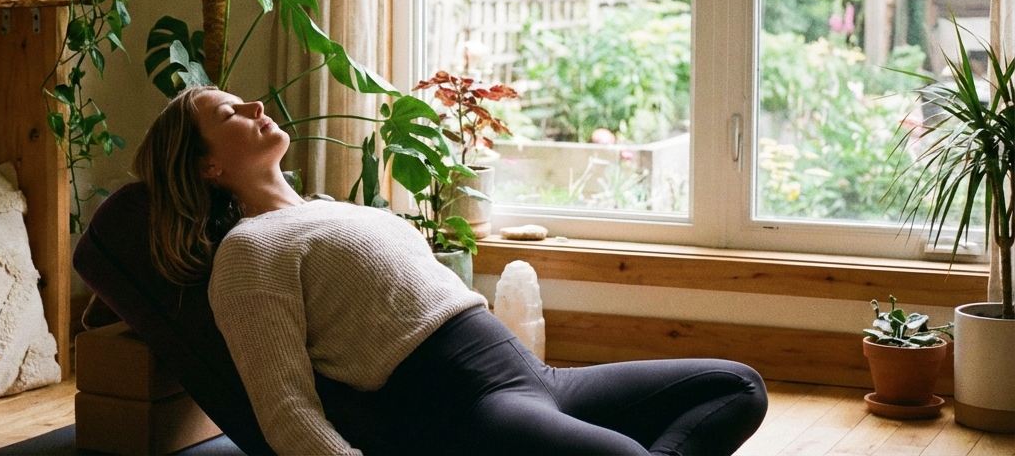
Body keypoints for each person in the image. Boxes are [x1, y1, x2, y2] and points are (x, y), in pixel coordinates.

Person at [134, 85, 767, 456]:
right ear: (208, 167)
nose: (254, 103)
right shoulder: (248, 252)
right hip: (472, 407)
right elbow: (284, 408)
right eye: (228, 114)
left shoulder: (336, 210)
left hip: (534, 377)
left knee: (737, 386)